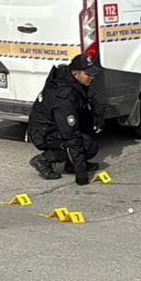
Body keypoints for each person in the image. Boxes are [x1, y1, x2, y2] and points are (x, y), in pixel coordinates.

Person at [26, 54, 106, 185]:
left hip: (55, 125)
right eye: (88, 74)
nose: (92, 78)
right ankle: (44, 160)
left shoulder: (73, 81)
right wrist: (81, 172)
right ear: (75, 74)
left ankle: (70, 164)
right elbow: (71, 136)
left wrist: (97, 117)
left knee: (87, 127)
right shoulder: (64, 96)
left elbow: (87, 100)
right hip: (43, 133)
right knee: (88, 147)